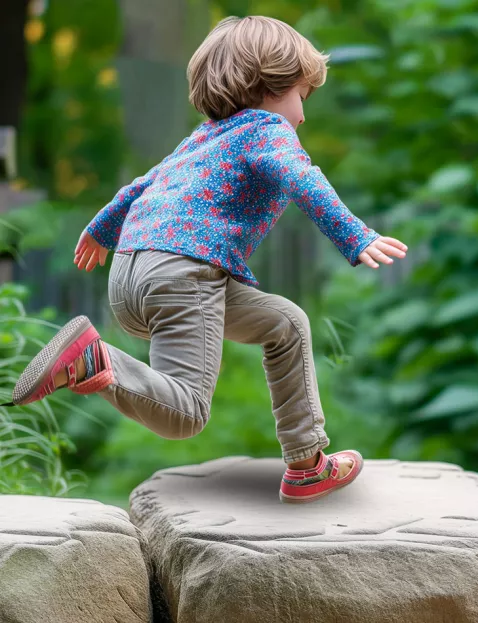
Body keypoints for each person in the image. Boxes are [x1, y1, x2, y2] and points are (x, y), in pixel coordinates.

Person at [4, 15, 408, 504]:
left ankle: (306, 464)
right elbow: (305, 179)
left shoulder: (203, 137)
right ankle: (95, 360)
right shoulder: (268, 130)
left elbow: (140, 186)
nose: (303, 113)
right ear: (271, 86)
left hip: (132, 273)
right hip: (183, 272)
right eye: (303, 95)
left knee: (286, 324)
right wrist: (355, 236)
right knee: (186, 413)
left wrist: (101, 229)